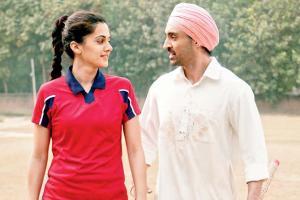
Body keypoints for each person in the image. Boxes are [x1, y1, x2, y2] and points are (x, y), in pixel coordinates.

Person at [140, 3, 269, 200]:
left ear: (197, 40)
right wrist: (140, 188)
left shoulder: (235, 90)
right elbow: (143, 146)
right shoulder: (160, 88)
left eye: (173, 37)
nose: (166, 44)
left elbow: (255, 156)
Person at [27, 10, 146, 200]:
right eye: (100, 41)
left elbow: (135, 150)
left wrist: (141, 197)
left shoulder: (123, 89)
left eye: (109, 40)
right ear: (76, 47)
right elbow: (38, 157)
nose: (109, 47)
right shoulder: (48, 94)